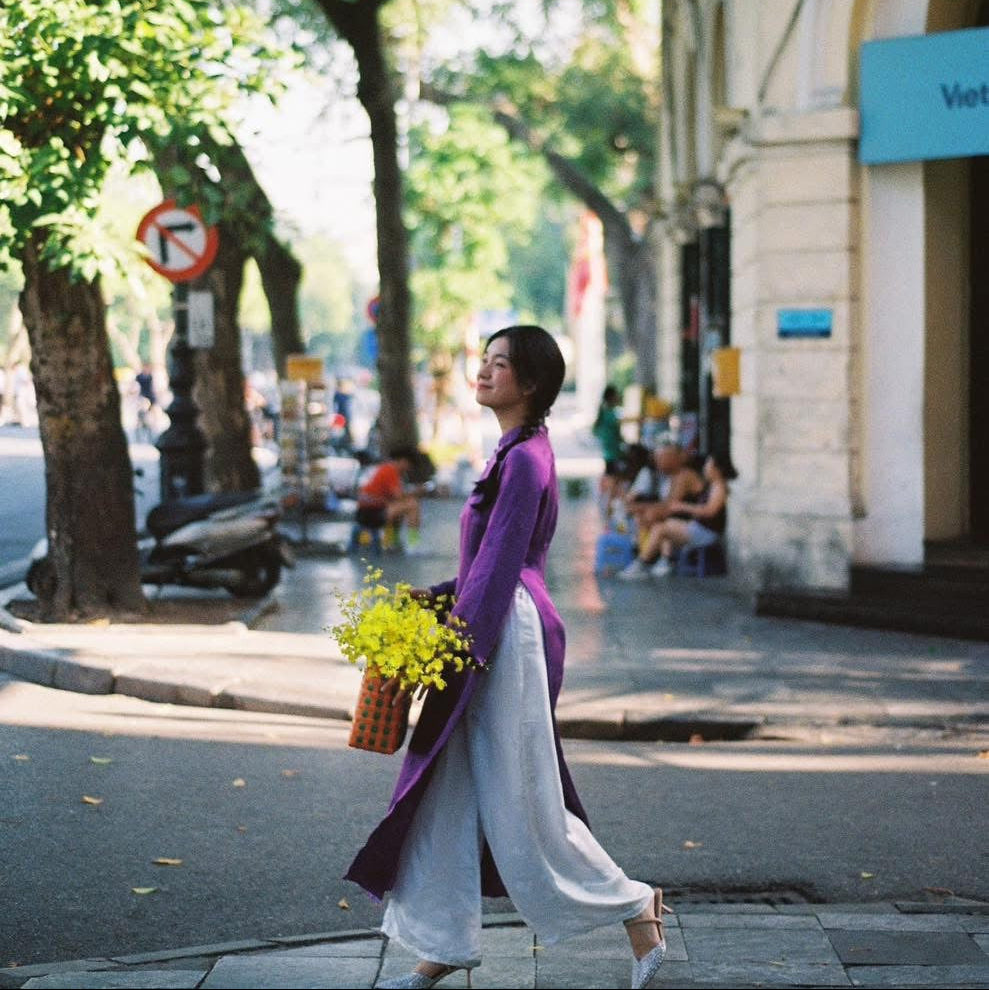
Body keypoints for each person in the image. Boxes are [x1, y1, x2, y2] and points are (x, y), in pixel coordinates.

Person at [345, 326, 671, 990]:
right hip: (491, 620)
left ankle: (633, 903)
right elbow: (489, 560)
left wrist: (454, 646)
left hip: (503, 634)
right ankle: (440, 947)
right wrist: (440, 597)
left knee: (521, 798)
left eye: (501, 364)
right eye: (485, 360)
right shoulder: (512, 451)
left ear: (531, 384)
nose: (485, 372)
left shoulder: (523, 460)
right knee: (448, 791)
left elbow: (502, 568)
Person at [620, 450, 737, 580]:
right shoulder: (713, 486)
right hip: (699, 527)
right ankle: (665, 561)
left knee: (661, 529)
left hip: (706, 532)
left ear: (717, 469)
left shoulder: (719, 488)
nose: (705, 468)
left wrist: (683, 507)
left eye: (708, 465)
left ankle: (642, 563)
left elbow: (710, 511)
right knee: (665, 524)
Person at [356, 446, 422, 551]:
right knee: (412, 505)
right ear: (403, 461)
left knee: (401, 509)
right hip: (370, 513)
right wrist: (417, 492)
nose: (408, 468)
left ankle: (392, 541)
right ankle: (412, 542)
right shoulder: (390, 470)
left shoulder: (387, 468)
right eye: (409, 465)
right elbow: (398, 496)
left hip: (369, 510)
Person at [591, 384, 626, 516]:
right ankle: (609, 507)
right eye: (616, 394)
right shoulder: (609, 413)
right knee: (613, 479)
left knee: (612, 477)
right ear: (611, 396)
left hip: (609, 452)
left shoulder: (604, 412)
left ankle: (608, 505)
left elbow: (596, 431)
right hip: (613, 453)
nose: (618, 397)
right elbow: (618, 427)